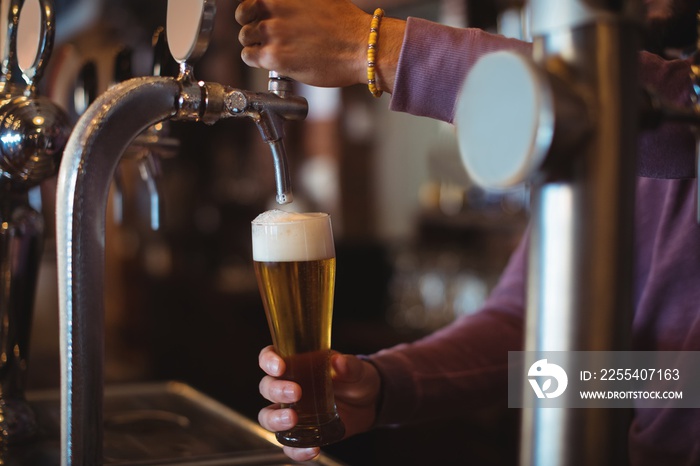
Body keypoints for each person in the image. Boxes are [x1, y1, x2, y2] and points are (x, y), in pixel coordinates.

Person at [235, 0, 700, 464]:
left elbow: (674, 118)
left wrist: (371, 46)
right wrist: (382, 386)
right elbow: (526, 324)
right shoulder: (631, 103)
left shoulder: (655, 107)